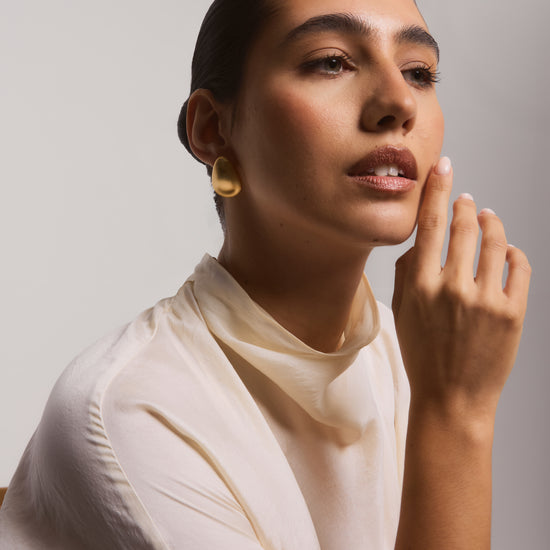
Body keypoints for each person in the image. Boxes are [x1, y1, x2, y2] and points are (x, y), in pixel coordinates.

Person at [0, 0, 531, 548]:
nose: (399, 103)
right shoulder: (132, 409)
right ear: (213, 129)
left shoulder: (415, 355)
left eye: (418, 72)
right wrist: (455, 412)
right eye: (331, 62)